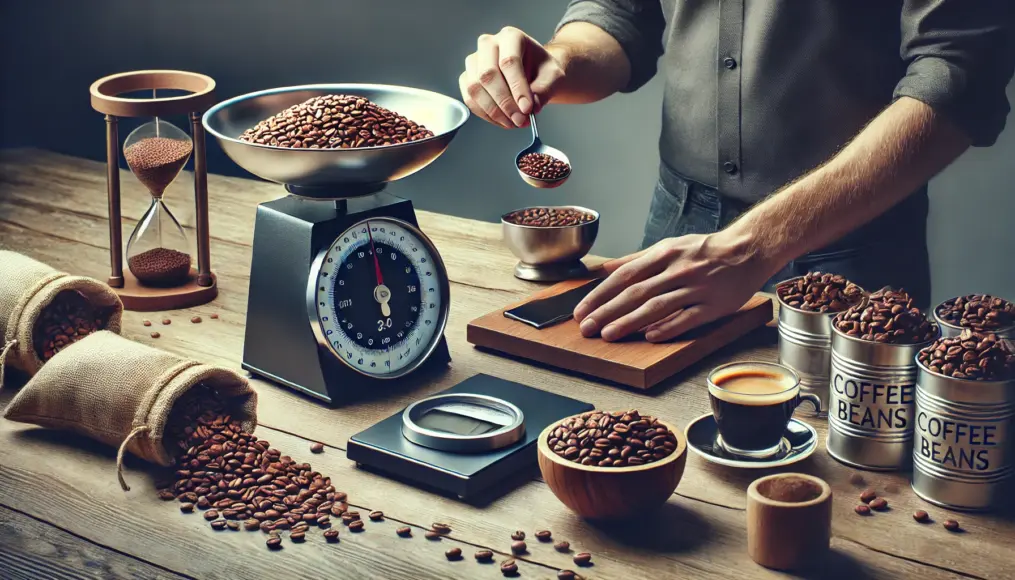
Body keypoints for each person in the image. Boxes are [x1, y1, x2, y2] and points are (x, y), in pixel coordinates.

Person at [459, 1, 1014, 343]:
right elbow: (619, 14)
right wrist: (560, 61)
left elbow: (959, 79)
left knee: (842, 486)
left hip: (848, 248)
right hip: (678, 224)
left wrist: (753, 245)